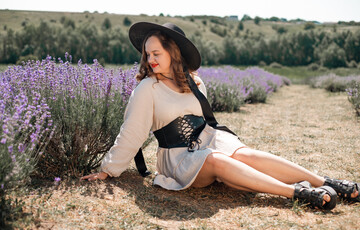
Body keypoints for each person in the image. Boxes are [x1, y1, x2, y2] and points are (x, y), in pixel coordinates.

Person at [81, 22, 359, 210]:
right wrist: (109, 168)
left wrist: (224, 141)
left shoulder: (195, 82)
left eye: (157, 53)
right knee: (215, 159)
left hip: (210, 141)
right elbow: (132, 131)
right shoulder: (147, 88)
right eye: (147, 54)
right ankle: (298, 193)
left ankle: (325, 181)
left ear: (173, 53)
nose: (150, 59)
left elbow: (206, 123)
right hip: (179, 159)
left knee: (245, 154)